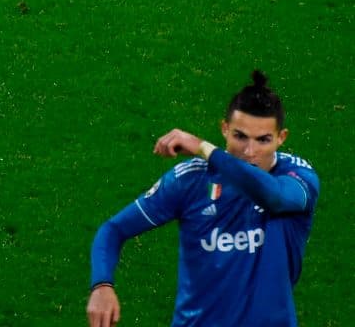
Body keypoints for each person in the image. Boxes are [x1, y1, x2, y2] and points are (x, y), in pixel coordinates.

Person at [86, 70, 319, 327]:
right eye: (240, 136)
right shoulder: (191, 180)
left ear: (281, 138)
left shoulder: (296, 176)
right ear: (224, 129)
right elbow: (113, 230)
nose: (249, 152)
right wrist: (102, 285)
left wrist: (203, 147)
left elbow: (273, 197)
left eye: (263, 140)